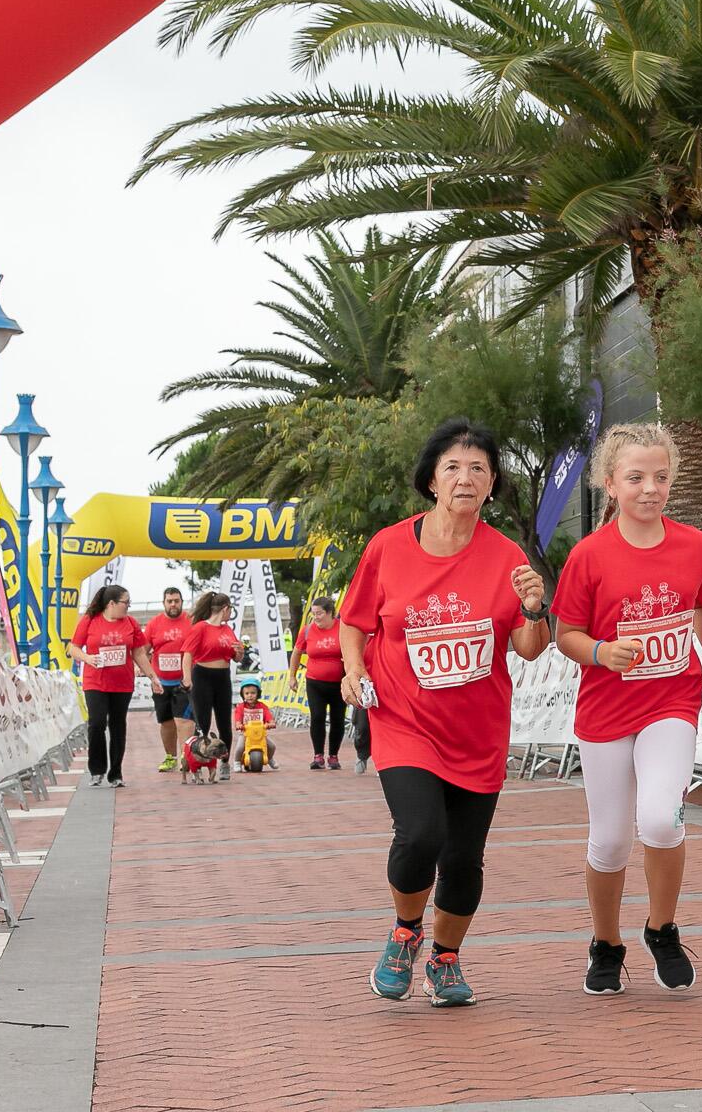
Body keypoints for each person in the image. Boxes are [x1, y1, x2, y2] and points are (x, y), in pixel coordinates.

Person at [340, 418, 549, 1008]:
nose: (465, 477)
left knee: (463, 857)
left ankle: (446, 959)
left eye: (478, 468)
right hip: (405, 720)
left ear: (490, 486)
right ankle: (405, 932)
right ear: (431, 480)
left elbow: (528, 648)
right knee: (420, 835)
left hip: (478, 730)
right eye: (453, 467)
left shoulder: (507, 557)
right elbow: (357, 621)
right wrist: (355, 672)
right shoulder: (388, 546)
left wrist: (535, 607)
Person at [550, 423, 702, 996]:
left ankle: (662, 927)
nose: (649, 488)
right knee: (609, 841)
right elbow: (565, 634)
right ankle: (606, 943)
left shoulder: (694, 545)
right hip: (605, 710)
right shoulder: (589, 555)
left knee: (659, 817)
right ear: (611, 485)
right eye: (635, 478)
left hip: (672, 702)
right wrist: (602, 652)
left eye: (660, 477)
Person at [68, 584, 156, 788]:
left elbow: (139, 653)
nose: (128, 606)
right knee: (97, 723)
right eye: (126, 602)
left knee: (118, 725)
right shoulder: (90, 620)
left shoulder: (131, 623)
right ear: (111, 604)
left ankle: (115, 773)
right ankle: (97, 770)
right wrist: (87, 658)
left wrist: (153, 677)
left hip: (122, 683)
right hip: (95, 682)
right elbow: (73, 648)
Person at [180, 592, 240, 784]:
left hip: (222, 677)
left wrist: (239, 652)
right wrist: (187, 678)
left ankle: (224, 763)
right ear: (225, 609)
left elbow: (236, 656)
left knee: (224, 722)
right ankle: (200, 761)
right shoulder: (200, 628)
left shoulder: (227, 629)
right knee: (203, 722)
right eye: (230, 609)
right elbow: (188, 654)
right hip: (203, 675)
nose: (230, 613)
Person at [290, 596, 348, 770]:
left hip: (338, 683)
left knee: (338, 719)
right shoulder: (307, 631)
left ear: (330, 613)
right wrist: (292, 676)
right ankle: (318, 756)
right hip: (315, 682)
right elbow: (297, 652)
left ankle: (333, 756)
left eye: (320, 613)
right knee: (317, 717)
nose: (316, 617)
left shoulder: (343, 629)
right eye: (313, 614)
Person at [145, 586, 192, 772]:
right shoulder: (154, 624)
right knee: (166, 722)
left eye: (176, 601)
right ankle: (170, 757)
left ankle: (185, 757)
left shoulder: (191, 621)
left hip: (184, 682)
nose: (173, 604)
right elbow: (143, 651)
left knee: (183, 720)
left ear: (182, 602)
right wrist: (149, 675)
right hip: (162, 683)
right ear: (164, 603)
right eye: (169, 601)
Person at [231, 679, 278, 770]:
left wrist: (271, 723)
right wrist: (238, 724)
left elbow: (269, 716)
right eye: (247, 693)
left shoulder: (262, 706)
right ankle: (237, 762)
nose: (250, 696)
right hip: (246, 734)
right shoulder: (241, 707)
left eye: (253, 693)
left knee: (272, 746)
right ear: (243, 694)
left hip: (260, 734)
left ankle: (269, 758)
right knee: (240, 746)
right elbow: (238, 718)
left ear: (258, 694)